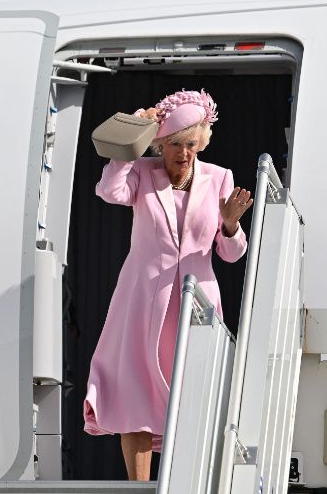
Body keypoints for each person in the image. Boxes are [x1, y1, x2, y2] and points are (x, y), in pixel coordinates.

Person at [83, 89, 250, 481]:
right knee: (133, 394)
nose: (183, 152)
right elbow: (109, 192)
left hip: (197, 303)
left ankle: (186, 483)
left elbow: (231, 254)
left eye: (191, 143)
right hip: (143, 299)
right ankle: (138, 488)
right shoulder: (141, 171)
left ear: (202, 142)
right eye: (174, 143)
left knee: (194, 396)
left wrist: (230, 224)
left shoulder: (219, 178)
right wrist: (134, 132)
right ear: (160, 144)